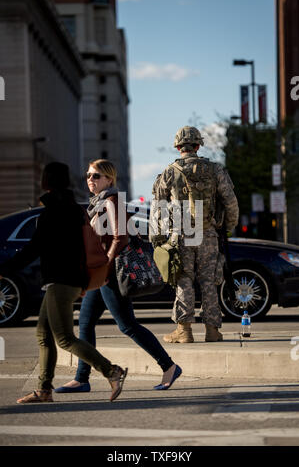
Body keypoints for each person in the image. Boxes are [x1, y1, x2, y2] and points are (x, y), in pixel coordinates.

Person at [0, 162, 127, 403]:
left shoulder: (52, 212)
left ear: (46, 182)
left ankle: (112, 371)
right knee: (43, 335)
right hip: (66, 282)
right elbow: (82, 249)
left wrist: (5, 270)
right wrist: (81, 283)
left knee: (64, 338)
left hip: (60, 282)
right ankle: (44, 390)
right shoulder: (73, 209)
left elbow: (32, 249)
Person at [54, 159, 182, 394]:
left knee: (127, 325)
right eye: (88, 175)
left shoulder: (112, 201)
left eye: (96, 176)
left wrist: (104, 265)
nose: (90, 180)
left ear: (109, 179)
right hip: (100, 274)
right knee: (85, 324)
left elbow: (120, 238)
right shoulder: (98, 203)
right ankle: (82, 378)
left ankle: (169, 366)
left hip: (110, 275)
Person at [150, 126, 239, 343]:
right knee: (209, 281)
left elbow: (157, 207)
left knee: (183, 279)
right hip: (208, 231)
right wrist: (229, 225)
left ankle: (184, 330)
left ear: (178, 147)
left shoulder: (169, 172)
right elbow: (231, 202)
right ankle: (212, 330)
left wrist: (158, 237)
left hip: (180, 233)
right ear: (198, 146)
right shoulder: (216, 170)